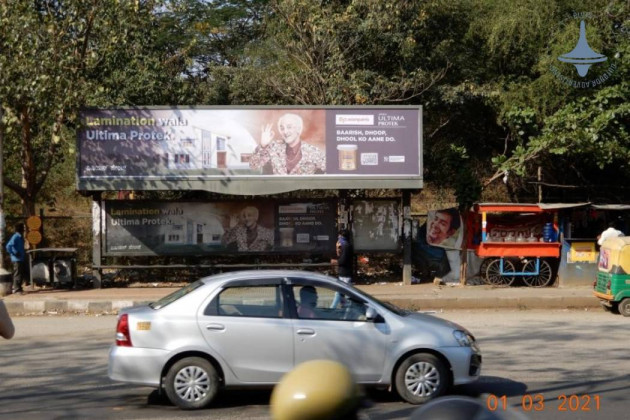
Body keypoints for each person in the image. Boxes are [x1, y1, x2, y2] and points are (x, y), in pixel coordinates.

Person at [249, 113, 326, 175]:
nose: (285, 132)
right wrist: (263, 145)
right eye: (282, 128)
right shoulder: (273, 147)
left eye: (289, 127)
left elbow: (330, 171)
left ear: (298, 129)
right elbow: (253, 166)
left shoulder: (313, 151)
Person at [331, 229, 353, 308]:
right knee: (340, 293)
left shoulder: (346, 246)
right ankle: (343, 308)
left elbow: (343, 260)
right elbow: (340, 256)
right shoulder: (344, 246)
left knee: (342, 293)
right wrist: (337, 249)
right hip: (343, 273)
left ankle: (332, 309)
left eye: (339, 236)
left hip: (345, 274)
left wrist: (335, 262)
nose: (338, 238)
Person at [6, 223, 27, 295]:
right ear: (20, 229)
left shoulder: (20, 237)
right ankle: (16, 289)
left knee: (20, 273)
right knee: (17, 273)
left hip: (21, 258)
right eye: (23, 228)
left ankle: (19, 288)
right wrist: (14, 252)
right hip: (16, 258)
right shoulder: (15, 237)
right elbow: (8, 246)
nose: (24, 230)